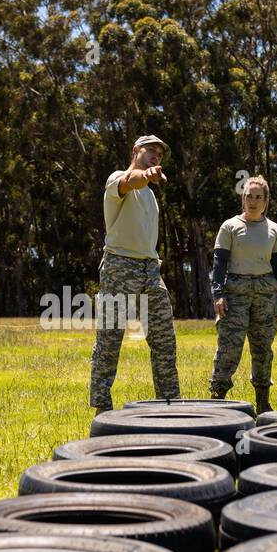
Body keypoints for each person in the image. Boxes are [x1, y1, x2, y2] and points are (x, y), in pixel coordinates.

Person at [88, 135, 181, 413]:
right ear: (135, 151)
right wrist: (145, 175)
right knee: (110, 339)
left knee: (164, 339)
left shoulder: (151, 196)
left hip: (150, 270)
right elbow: (131, 182)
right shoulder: (117, 178)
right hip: (120, 266)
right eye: (150, 151)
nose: (156, 157)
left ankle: (171, 406)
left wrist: (149, 178)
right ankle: (102, 409)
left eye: (159, 156)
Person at [208, 175, 277, 414]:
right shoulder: (230, 227)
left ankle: (263, 401)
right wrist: (218, 295)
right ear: (242, 198)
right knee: (229, 348)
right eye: (248, 196)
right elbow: (219, 264)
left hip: (266, 294)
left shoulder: (274, 229)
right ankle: (217, 398)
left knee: (263, 349)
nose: (253, 201)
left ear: (266, 200)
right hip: (235, 293)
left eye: (258, 197)